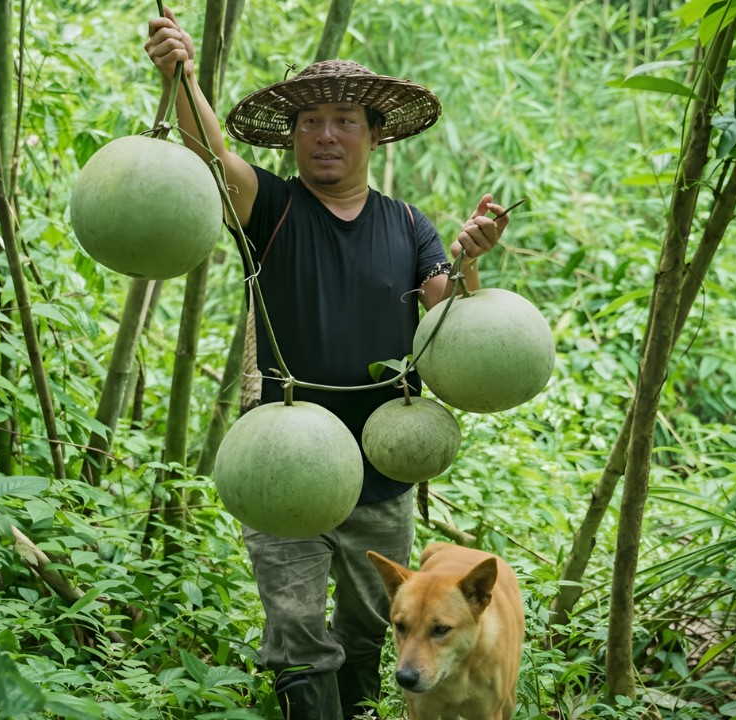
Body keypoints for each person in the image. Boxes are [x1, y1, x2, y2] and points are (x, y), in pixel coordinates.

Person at [145, 9, 511, 719]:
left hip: (383, 463)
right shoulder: (271, 206)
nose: (326, 135)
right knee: (294, 623)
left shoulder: (408, 226)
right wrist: (180, 74)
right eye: (310, 121)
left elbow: (446, 314)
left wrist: (468, 259)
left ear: (375, 134)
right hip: (285, 460)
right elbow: (212, 159)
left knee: (376, 624)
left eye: (345, 120)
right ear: (292, 136)